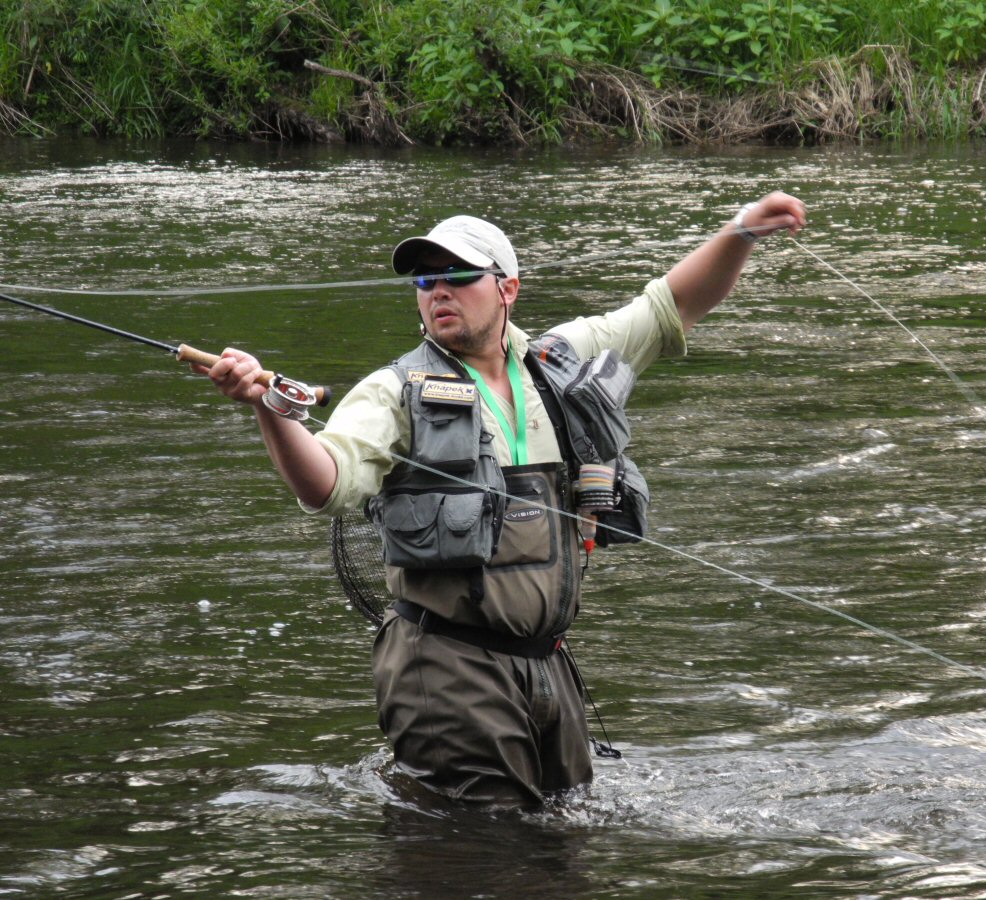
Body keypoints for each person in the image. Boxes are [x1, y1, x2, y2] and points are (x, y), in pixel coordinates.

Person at [197, 191, 807, 807]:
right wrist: (269, 408)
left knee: (565, 850)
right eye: (426, 280)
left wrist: (742, 233)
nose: (439, 291)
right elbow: (326, 481)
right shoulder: (391, 390)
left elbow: (672, 304)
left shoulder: (563, 362)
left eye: (459, 277)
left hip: (548, 664)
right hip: (445, 665)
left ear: (508, 288)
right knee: (486, 851)